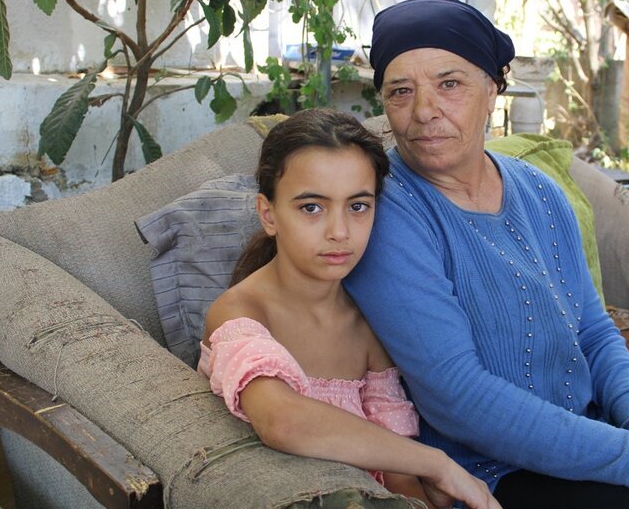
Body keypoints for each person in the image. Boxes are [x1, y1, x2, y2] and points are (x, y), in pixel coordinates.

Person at [343, 0, 629, 509]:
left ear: (493, 86)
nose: (424, 111)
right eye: (400, 91)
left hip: (576, 422)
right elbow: (458, 398)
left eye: (449, 84)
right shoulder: (385, 209)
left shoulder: (538, 190)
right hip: (483, 466)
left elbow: (592, 331)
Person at [199, 109, 500, 509]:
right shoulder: (242, 313)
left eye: (358, 206)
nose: (339, 232)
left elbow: (396, 471)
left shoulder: (366, 324)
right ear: (268, 214)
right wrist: (438, 465)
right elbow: (281, 420)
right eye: (312, 208)